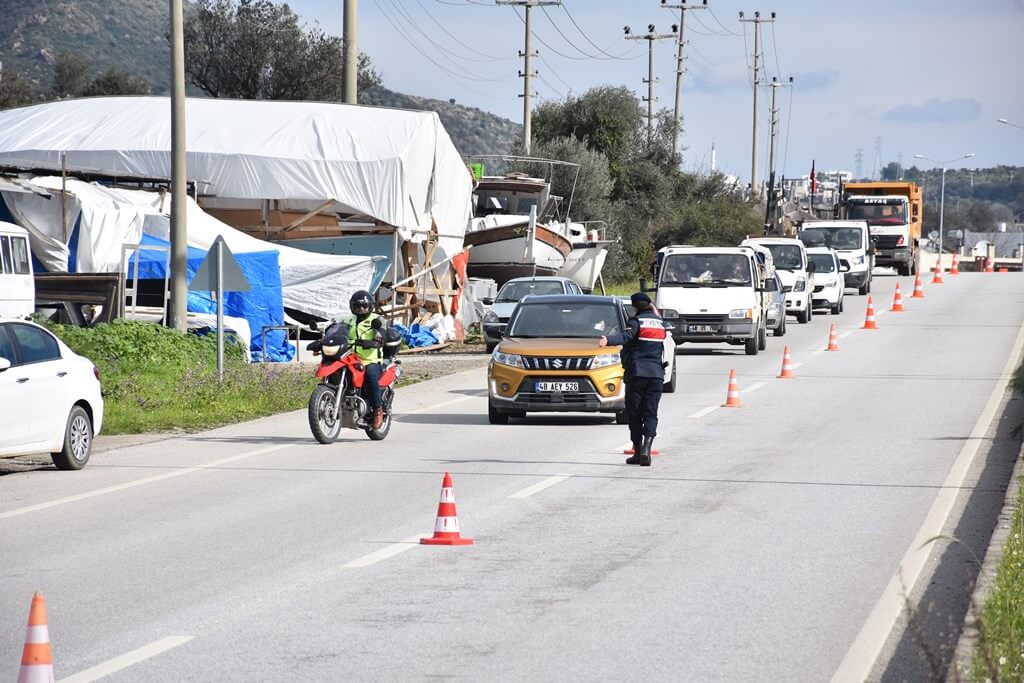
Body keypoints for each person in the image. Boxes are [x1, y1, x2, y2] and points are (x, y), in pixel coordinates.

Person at [599, 292, 666, 466]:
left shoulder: (636, 322)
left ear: (635, 307)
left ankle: (638, 451)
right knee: (651, 413)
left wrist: (608, 340)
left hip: (638, 374)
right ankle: (646, 449)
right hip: (657, 375)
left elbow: (626, 337)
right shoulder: (660, 323)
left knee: (635, 414)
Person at [345, 290, 386, 429]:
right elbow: (336, 330)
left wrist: (375, 342)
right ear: (352, 307)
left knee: (370, 375)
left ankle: (377, 410)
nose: (361, 309)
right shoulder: (348, 320)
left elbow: (382, 334)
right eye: (357, 306)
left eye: (364, 306)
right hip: (350, 359)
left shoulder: (377, 320)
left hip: (371, 360)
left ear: (370, 306)